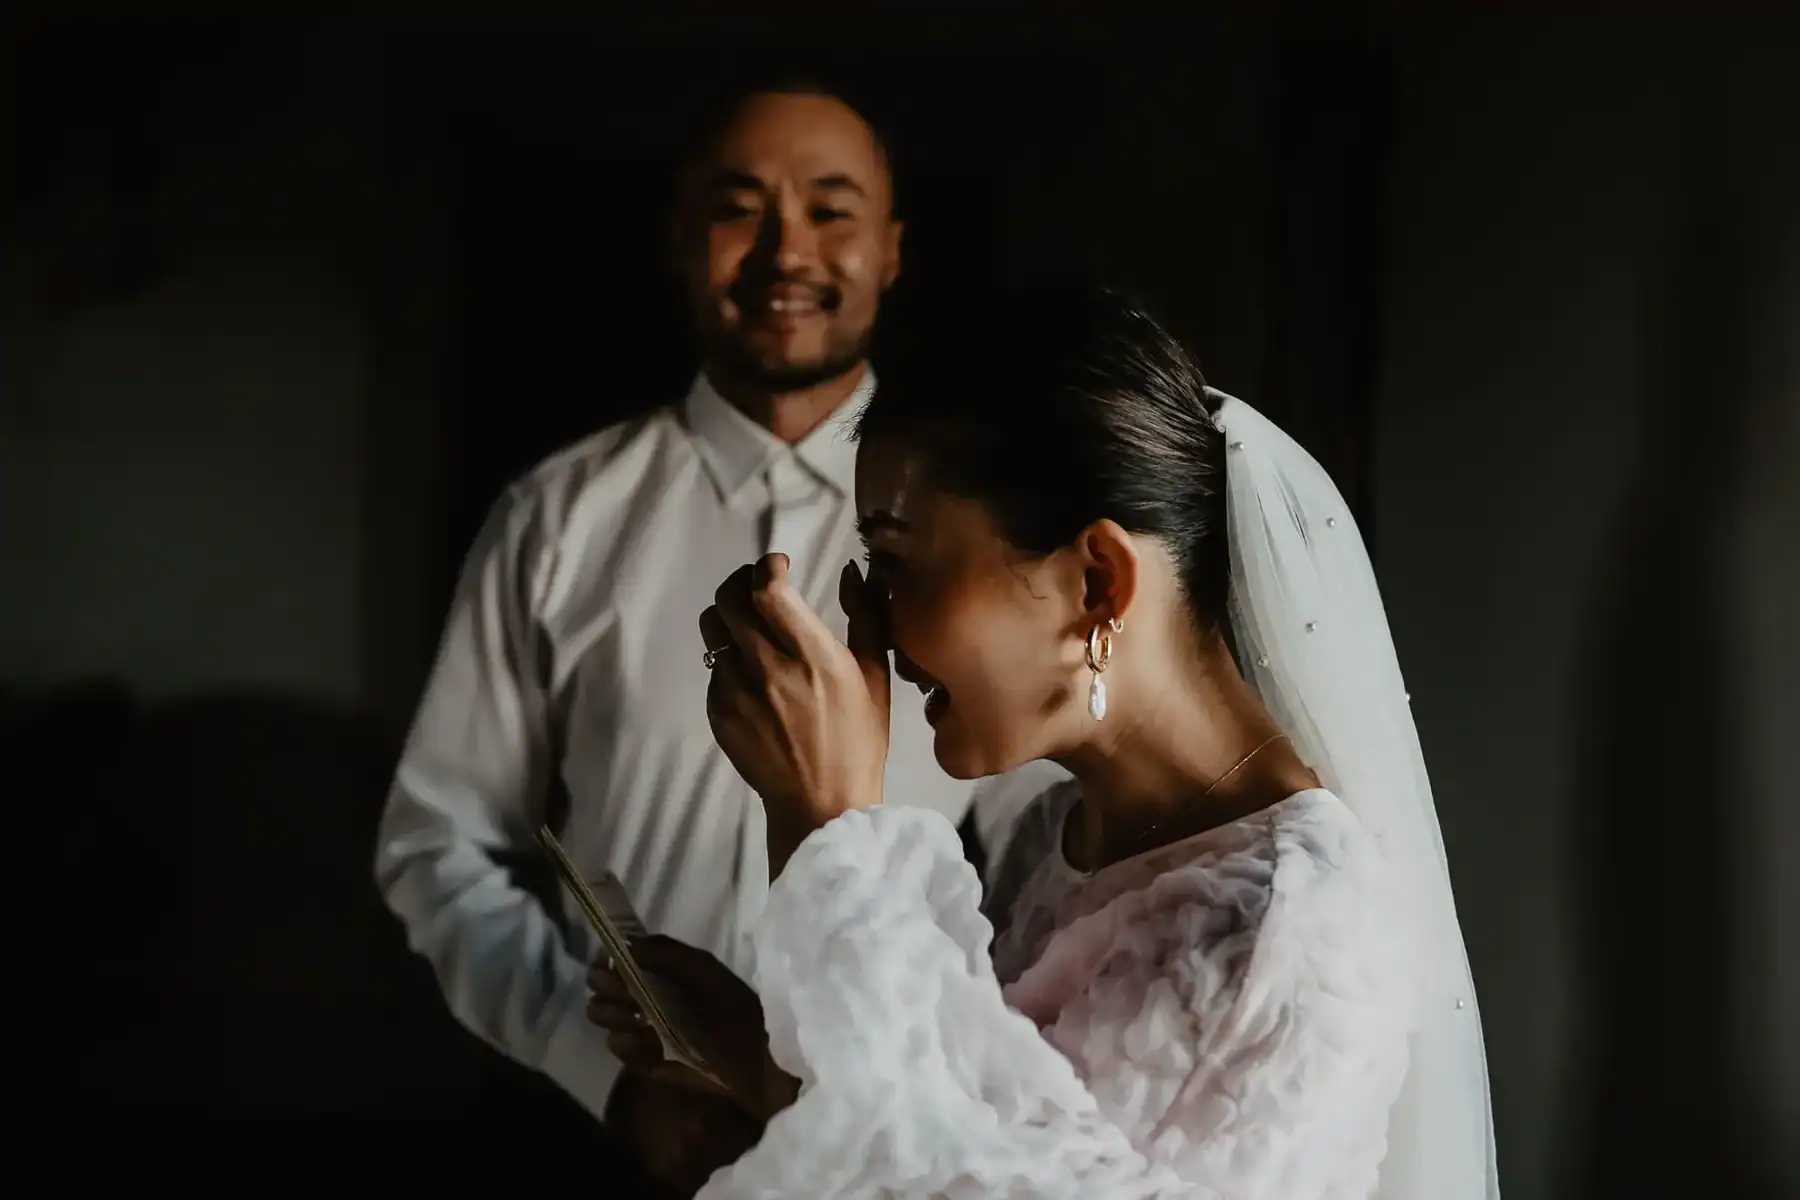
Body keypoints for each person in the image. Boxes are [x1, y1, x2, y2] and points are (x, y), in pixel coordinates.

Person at [588, 285, 1500, 1197]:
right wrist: (757, 1049)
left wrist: (825, 821)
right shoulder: (1056, 834)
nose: (875, 623)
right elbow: (961, 1123)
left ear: (1099, 581)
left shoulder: (1287, 930)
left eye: (898, 564)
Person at [373, 80, 1063, 1193]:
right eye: (741, 207)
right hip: (605, 1148)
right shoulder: (554, 517)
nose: (787, 248)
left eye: (832, 210)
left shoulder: (983, 529)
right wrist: (606, 1073)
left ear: (891, 250)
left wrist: (950, 1079)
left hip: (912, 1143)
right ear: (683, 240)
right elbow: (435, 846)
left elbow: (1050, 855)